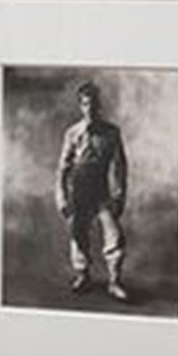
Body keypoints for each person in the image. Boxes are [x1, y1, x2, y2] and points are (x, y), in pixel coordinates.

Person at [53, 80, 133, 303]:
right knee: (78, 234)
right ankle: (83, 275)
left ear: (100, 106)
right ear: (81, 106)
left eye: (94, 104)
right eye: (86, 104)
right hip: (79, 189)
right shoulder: (72, 133)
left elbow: (120, 166)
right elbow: (62, 169)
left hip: (101, 190)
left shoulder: (111, 133)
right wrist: (62, 198)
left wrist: (119, 196)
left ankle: (115, 281)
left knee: (114, 235)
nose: (90, 108)